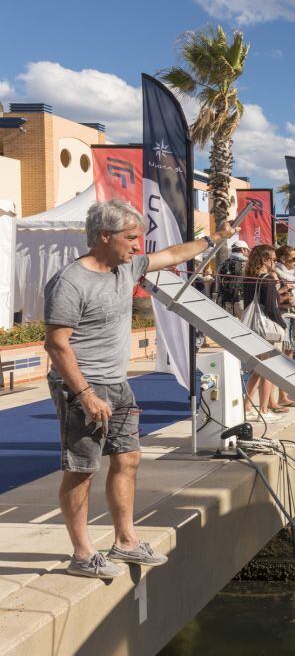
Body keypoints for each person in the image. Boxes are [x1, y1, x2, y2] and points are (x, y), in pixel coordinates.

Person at [44, 198, 235, 579]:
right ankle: (82, 554)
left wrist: (213, 238)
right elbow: (56, 344)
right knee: (82, 469)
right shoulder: (70, 282)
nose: (137, 245)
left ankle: (125, 541)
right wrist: (85, 394)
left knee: (128, 458)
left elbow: (171, 255)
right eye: (131, 237)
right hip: (82, 386)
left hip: (117, 383)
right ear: (104, 236)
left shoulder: (127, 267)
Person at [243, 244, 288, 418]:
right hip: (267, 330)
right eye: (274, 260)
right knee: (268, 370)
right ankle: (263, 409)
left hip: (253, 328)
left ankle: (247, 406)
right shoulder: (268, 279)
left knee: (257, 369)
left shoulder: (249, 277)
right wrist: (282, 325)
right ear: (264, 260)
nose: (275, 263)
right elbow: (271, 309)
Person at [274, 245, 295, 408]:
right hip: (283, 317)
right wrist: (286, 297)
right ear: (283, 259)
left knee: (289, 358)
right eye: (293, 259)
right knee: (281, 359)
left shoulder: (289, 276)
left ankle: (283, 394)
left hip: (292, 317)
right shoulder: (277, 275)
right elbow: (271, 297)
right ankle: (279, 396)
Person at [216, 240, 249, 318]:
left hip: (225, 301)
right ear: (242, 250)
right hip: (242, 301)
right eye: (247, 250)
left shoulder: (222, 264)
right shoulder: (247, 265)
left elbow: (218, 283)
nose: (248, 253)